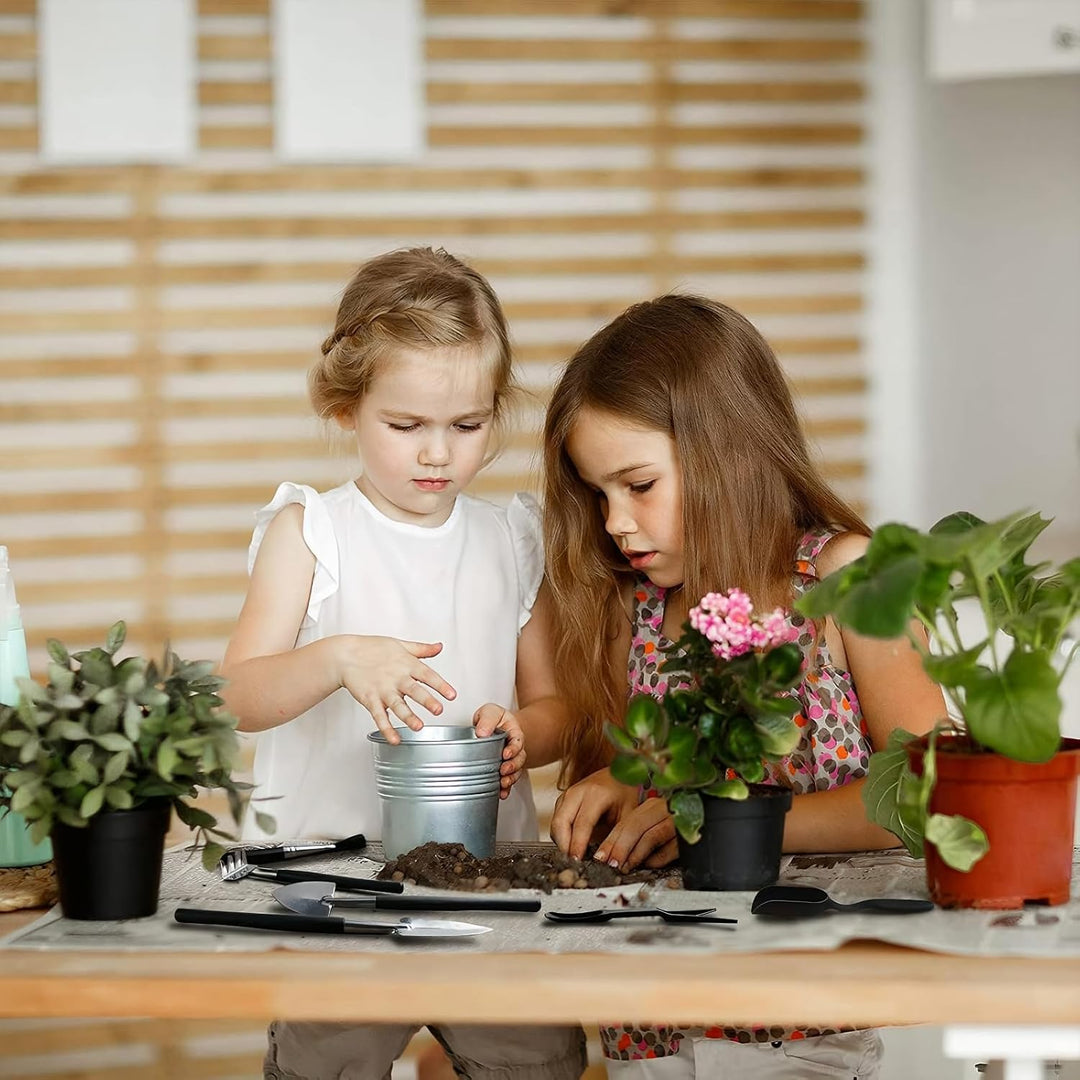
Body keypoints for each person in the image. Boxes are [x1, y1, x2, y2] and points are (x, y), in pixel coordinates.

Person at [540, 294, 946, 1079]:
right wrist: (620, 788)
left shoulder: (849, 578)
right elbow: (652, 778)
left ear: (727, 451)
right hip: (649, 1028)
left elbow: (925, 794)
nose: (615, 523)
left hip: (810, 1023)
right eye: (598, 494)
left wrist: (724, 824)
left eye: (638, 485)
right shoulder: (638, 609)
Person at [220, 246, 585, 1080]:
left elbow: (559, 705)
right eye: (406, 425)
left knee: (533, 1062)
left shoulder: (510, 539)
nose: (438, 455)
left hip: (489, 886)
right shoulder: (311, 533)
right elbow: (237, 693)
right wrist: (336, 659)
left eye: (467, 426)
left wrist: (523, 732)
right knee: (330, 1066)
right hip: (337, 886)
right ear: (347, 408)